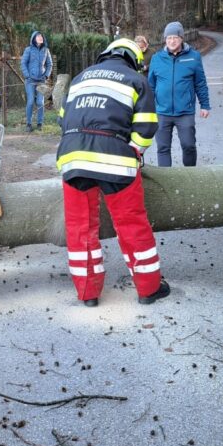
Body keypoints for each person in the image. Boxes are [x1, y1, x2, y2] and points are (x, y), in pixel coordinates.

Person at [56, 38, 169, 307]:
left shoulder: (80, 78)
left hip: (73, 158)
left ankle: (88, 293)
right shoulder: (135, 80)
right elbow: (146, 127)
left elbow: (62, 118)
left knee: (79, 228)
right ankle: (148, 288)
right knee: (131, 224)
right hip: (116, 161)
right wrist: (132, 152)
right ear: (134, 60)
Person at [147, 21, 211, 167]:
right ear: (165, 39)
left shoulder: (194, 57)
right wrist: (148, 107)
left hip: (185, 112)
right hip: (162, 112)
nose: (172, 41)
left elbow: (200, 83)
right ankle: (167, 181)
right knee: (163, 148)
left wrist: (205, 105)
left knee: (189, 146)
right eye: (169, 38)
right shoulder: (157, 58)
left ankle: (190, 176)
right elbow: (150, 85)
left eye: (175, 37)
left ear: (182, 38)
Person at [21, 30, 53, 132]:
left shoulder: (46, 50)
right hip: (30, 81)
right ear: (33, 38)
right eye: (38, 36)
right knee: (30, 102)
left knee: (40, 102)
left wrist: (46, 75)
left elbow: (50, 64)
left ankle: (40, 123)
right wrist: (27, 75)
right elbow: (23, 63)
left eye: (41, 36)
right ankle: (28, 124)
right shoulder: (28, 50)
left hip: (41, 81)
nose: (40, 37)